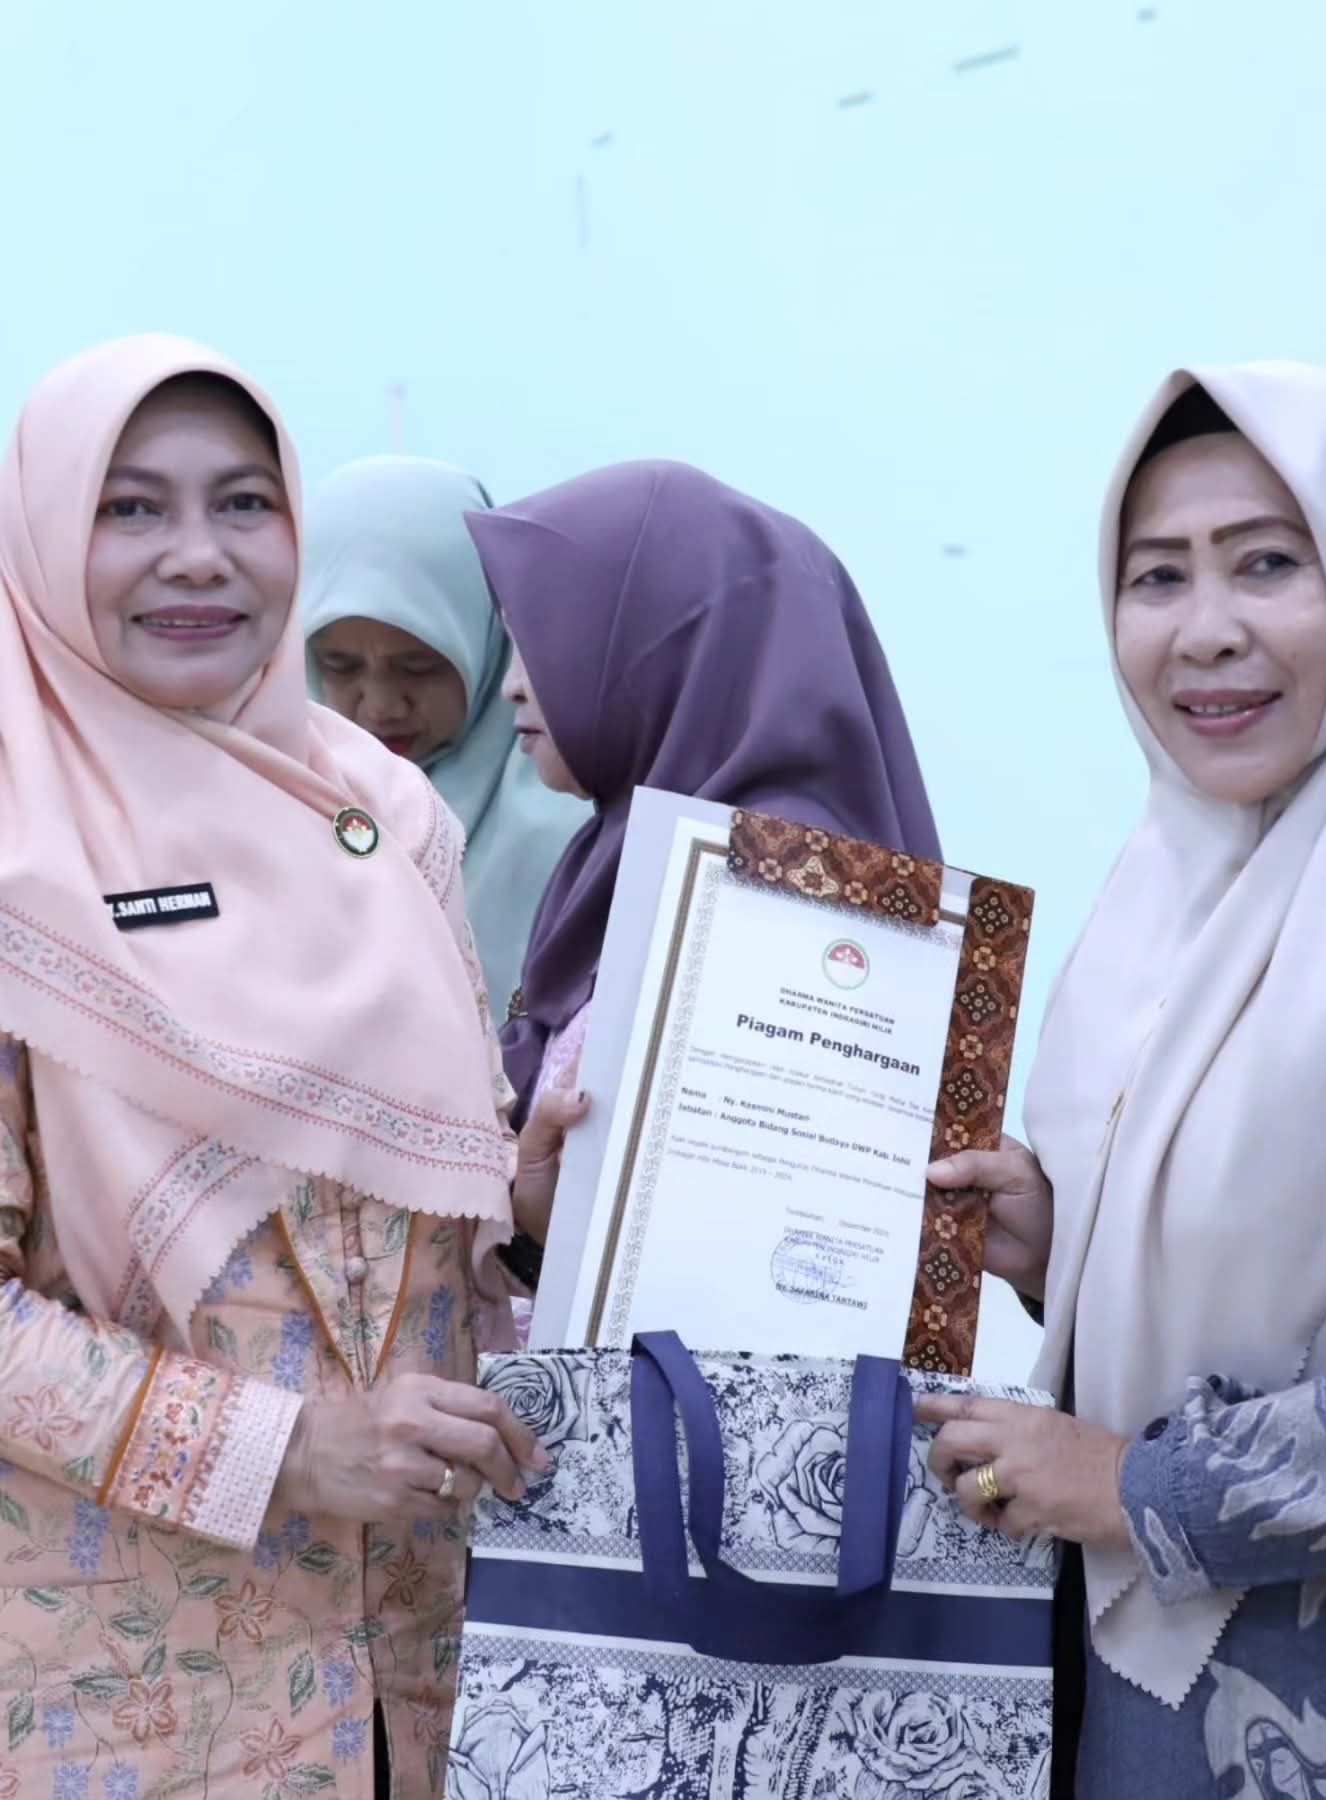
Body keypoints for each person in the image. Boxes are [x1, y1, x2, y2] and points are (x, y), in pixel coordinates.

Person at [0, 336, 560, 1798]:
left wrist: (525, 1202)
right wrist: (280, 1449)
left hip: (419, 1667)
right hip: (126, 1694)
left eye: (244, 503)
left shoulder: (385, 822)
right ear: (45, 533)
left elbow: (417, 1206)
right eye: (131, 507)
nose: (198, 554)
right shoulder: (12, 849)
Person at [918, 366, 1326, 1796]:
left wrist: (1128, 1483)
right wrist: (1064, 1251)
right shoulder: (1165, 898)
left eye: (1268, 563)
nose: (1206, 630)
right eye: (1157, 577)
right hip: (1123, 1699)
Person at [462, 459, 942, 1265]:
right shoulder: (617, 853)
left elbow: (743, 1250)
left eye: (542, 642)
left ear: (657, 647)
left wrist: (542, 1233)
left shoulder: (785, 886)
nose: (512, 685)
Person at [302, 456, 585, 1015]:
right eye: (340, 666)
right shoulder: (270, 798)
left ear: (489, 634)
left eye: (419, 666)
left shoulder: (572, 819)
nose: (381, 705)